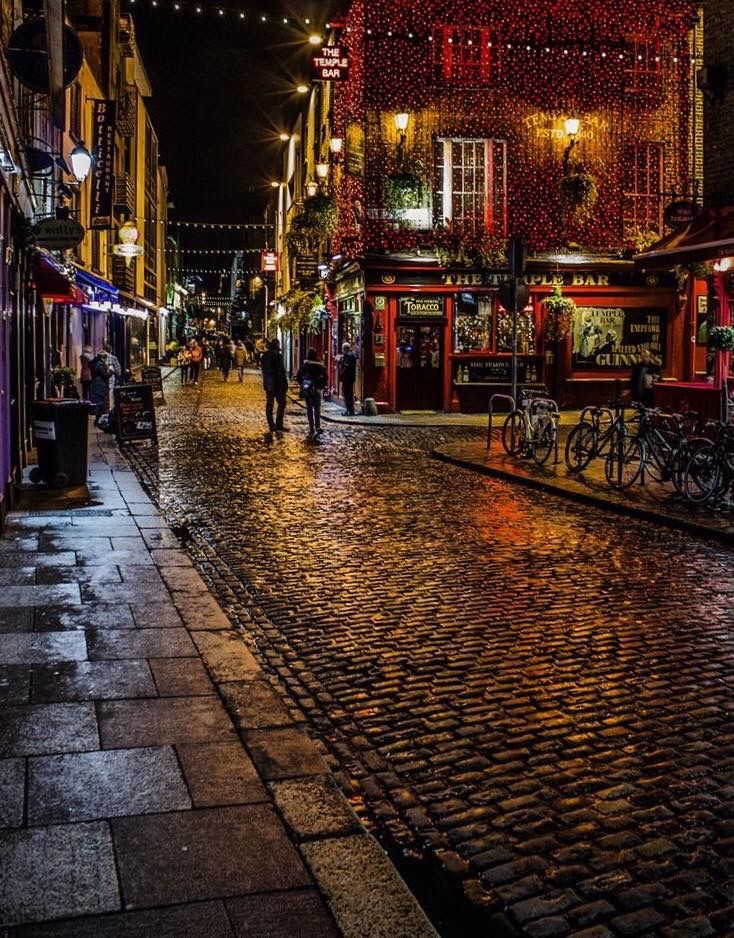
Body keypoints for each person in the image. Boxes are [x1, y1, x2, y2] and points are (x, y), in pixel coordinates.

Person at [297, 349, 328, 438]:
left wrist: (303, 384)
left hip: (308, 390)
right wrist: (321, 386)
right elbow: (325, 377)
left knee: (309, 409)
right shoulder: (319, 366)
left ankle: (311, 427)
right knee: (317, 408)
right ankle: (317, 426)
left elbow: (299, 376)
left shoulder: (305, 365)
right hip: (317, 389)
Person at [260, 337, 288, 435]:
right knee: (282, 403)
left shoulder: (264, 356)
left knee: (270, 405)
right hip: (278, 384)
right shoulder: (278, 356)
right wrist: (285, 384)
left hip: (268, 384)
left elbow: (264, 371)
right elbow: (281, 372)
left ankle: (271, 425)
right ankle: (279, 424)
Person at [90, 349, 111, 426]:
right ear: (102, 357)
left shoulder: (96, 364)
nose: (106, 359)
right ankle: (99, 421)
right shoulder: (100, 365)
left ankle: (98, 420)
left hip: (97, 385)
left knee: (99, 402)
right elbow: (106, 375)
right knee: (101, 403)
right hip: (100, 385)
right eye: (105, 357)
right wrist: (111, 372)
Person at [339, 341, 357, 416]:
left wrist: (341, 374)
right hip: (352, 377)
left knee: (347, 395)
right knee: (350, 394)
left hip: (346, 378)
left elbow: (346, 367)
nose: (342, 350)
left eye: (342, 349)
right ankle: (351, 410)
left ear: (345, 349)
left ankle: (348, 410)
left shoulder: (347, 355)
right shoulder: (353, 355)